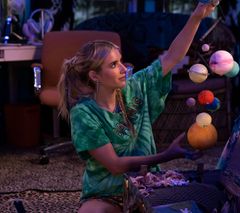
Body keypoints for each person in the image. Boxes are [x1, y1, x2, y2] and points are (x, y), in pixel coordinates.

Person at [57, 2, 218, 213]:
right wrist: (166, 155)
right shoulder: (84, 113)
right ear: (95, 76)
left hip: (147, 186)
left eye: (121, 61)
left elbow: (172, 56)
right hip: (107, 193)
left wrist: (197, 15)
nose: (124, 69)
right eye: (114, 65)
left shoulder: (135, 87)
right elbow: (115, 165)